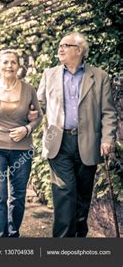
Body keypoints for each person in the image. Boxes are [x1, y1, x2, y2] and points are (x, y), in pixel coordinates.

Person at [37, 32, 117, 237]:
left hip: (88, 142)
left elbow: (108, 112)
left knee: (82, 199)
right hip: (58, 142)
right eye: (60, 45)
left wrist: (108, 138)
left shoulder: (99, 77)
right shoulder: (49, 74)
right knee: (64, 194)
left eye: (65, 45)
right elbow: (39, 106)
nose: (60, 49)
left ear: (79, 50)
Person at [0, 49, 42, 238]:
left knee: (18, 196)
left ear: (19, 66)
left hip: (22, 150)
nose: (9, 66)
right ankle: (0, 237)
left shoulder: (29, 90)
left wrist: (27, 129)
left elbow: (38, 117)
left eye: (13, 62)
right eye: (5, 62)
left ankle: (13, 234)